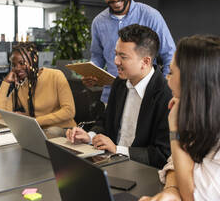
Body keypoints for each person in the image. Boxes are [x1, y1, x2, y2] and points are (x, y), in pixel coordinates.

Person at [140, 35, 220, 201]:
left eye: (171, 73)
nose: (167, 81)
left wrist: (176, 131)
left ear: (193, 80)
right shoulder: (208, 111)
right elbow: (176, 162)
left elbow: (193, 195)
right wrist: (172, 190)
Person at [66, 24, 172, 169]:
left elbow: (162, 154)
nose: (116, 61)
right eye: (116, 54)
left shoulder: (166, 95)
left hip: (143, 171)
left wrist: (118, 150)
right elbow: (105, 122)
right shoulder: (120, 83)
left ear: (145, 61)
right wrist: (89, 136)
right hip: (110, 162)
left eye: (123, 56)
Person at [84, 0, 176, 104]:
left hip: (146, 96)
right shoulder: (98, 22)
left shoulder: (151, 16)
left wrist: (162, 89)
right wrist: (91, 72)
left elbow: (170, 55)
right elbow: (97, 57)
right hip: (111, 97)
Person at [0, 42, 77, 136]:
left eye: (22, 63)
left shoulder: (55, 75)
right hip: (37, 132)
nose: (17, 68)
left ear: (34, 59)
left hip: (65, 131)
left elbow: (69, 111)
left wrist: (34, 121)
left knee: (51, 131)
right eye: (14, 65)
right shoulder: (21, 87)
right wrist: (5, 82)